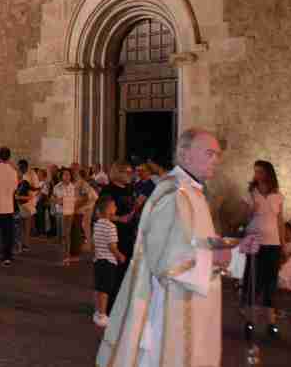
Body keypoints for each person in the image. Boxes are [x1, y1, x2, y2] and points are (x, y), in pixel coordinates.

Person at [97, 128, 254, 367]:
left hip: (189, 302)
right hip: (168, 309)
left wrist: (233, 248)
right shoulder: (173, 193)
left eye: (217, 155)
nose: (216, 160)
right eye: (209, 153)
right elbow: (166, 261)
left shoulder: (191, 191)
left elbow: (194, 241)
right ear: (185, 154)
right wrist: (217, 256)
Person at [241, 159, 285, 339]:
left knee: (270, 283)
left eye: (260, 171)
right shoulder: (250, 193)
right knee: (253, 282)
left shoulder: (278, 195)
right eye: (255, 171)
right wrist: (251, 210)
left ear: (268, 174)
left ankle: (271, 323)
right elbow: (241, 218)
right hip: (255, 243)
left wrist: (282, 244)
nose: (257, 175)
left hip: (273, 244)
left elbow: (280, 221)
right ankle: (249, 322)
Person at [99, 162, 138, 297]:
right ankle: (108, 306)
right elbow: (101, 213)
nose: (130, 175)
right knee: (112, 271)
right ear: (117, 173)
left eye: (130, 172)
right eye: (126, 172)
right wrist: (119, 219)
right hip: (113, 233)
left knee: (126, 269)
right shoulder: (108, 190)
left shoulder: (130, 188)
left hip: (129, 234)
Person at [92, 195, 126, 328]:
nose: (116, 208)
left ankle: (97, 311)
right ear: (108, 210)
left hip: (98, 260)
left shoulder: (97, 224)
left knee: (98, 287)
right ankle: (102, 314)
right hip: (108, 261)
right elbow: (112, 246)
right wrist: (120, 256)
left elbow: (95, 243)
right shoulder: (111, 227)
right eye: (114, 206)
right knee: (105, 289)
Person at [53, 168, 77, 265]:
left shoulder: (73, 187)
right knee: (60, 235)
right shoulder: (57, 187)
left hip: (69, 212)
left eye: (68, 175)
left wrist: (64, 200)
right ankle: (63, 254)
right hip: (60, 212)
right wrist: (57, 200)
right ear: (61, 176)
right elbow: (53, 198)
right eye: (65, 174)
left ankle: (66, 256)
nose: (67, 176)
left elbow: (73, 199)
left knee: (66, 235)